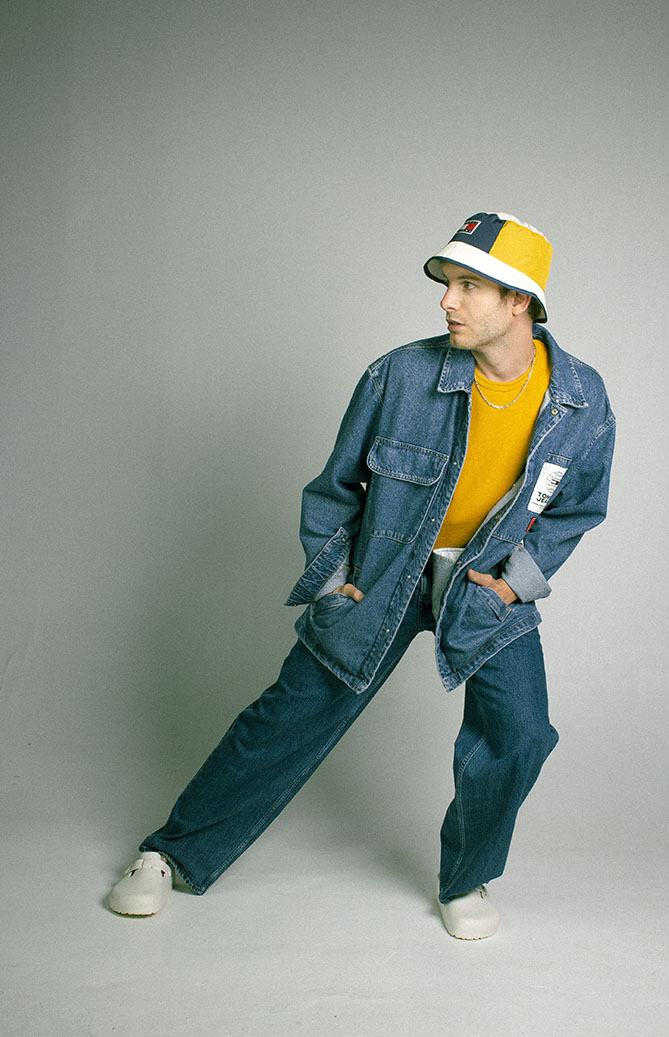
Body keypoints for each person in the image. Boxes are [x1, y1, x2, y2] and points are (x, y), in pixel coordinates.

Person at [109, 211, 615, 940]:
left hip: (484, 583)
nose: (446, 300)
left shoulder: (582, 398)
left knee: (522, 732)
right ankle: (168, 854)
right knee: (288, 716)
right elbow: (334, 489)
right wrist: (332, 578)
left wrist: (516, 581)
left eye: (468, 286)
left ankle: (465, 878)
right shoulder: (399, 376)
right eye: (446, 283)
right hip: (385, 574)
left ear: (518, 302)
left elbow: (578, 507)